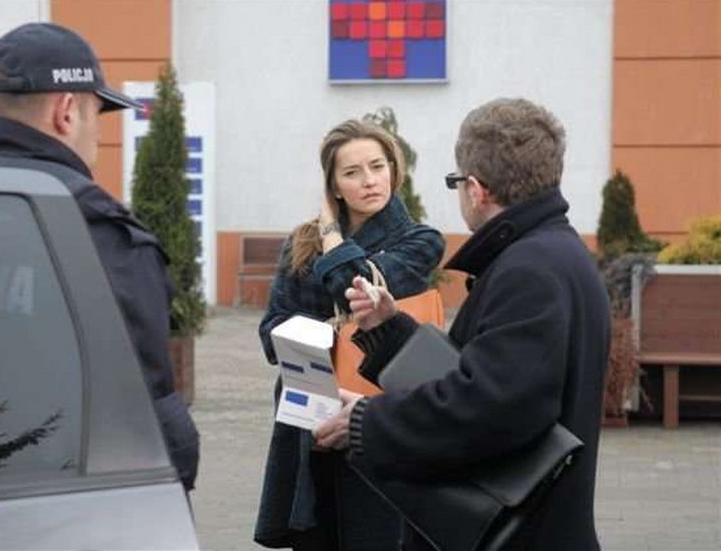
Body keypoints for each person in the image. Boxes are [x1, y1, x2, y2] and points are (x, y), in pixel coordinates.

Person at [314, 98, 610, 551]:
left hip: (518, 534)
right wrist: (390, 332)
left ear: (476, 189)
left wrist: (367, 422)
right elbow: (485, 376)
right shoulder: (551, 253)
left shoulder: (530, 269)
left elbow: (493, 407)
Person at [0, 22, 199, 491]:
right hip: (58, 497)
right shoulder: (100, 233)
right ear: (66, 112)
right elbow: (151, 417)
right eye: (96, 116)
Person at [254, 119, 446, 550]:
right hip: (311, 414)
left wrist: (330, 231)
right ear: (334, 186)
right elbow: (271, 332)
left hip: (378, 415)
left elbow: (358, 285)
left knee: (378, 536)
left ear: (393, 172)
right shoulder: (300, 243)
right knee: (317, 535)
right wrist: (327, 333)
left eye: (377, 167)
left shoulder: (421, 241)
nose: (369, 181)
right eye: (352, 172)